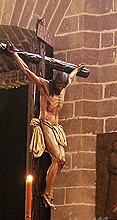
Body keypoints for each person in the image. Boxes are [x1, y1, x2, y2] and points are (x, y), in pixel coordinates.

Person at [6, 42, 84, 209]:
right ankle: (47, 193)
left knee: (62, 162)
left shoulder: (65, 85)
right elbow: (27, 71)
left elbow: (71, 76)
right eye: (59, 86)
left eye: (63, 86)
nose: (60, 88)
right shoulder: (45, 85)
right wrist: (14, 54)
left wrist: (77, 69)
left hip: (57, 128)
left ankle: (49, 192)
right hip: (46, 125)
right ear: (54, 83)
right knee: (59, 158)